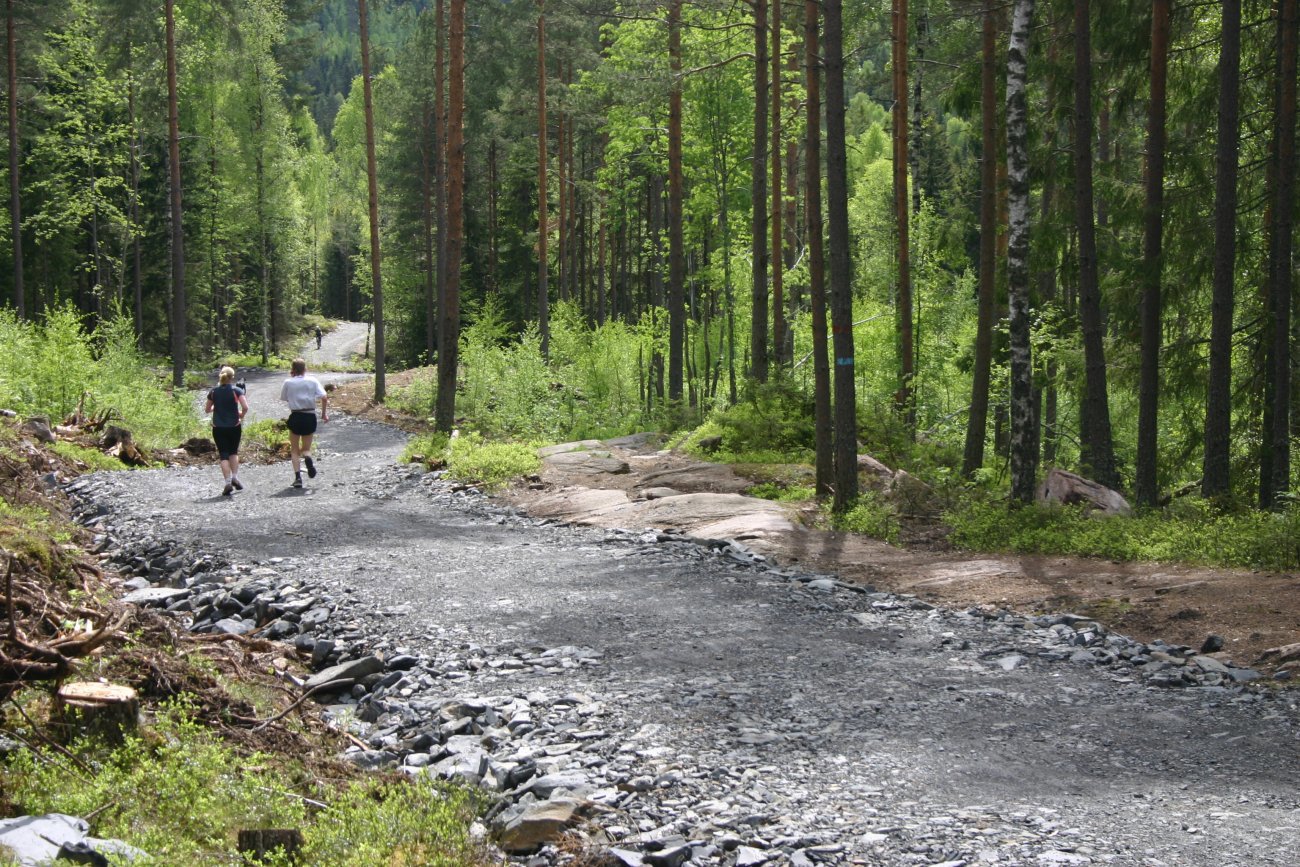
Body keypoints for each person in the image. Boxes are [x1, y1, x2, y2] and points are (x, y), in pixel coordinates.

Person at [280, 357, 328, 488]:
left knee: (294, 449)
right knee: (306, 448)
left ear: (293, 370)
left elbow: (284, 398)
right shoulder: (312, 380)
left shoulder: (288, 382)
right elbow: (324, 397)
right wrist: (323, 414)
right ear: (305, 369)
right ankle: (307, 457)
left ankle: (298, 478)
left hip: (295, 416)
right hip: (309, 415)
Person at [204, 366, 249, 497]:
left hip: (218, 427)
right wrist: (241, 415)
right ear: (232, 377)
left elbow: (207, 409)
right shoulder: (237, 390)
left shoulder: (213, 392)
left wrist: (215, 408)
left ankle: (227, 482)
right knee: (233, 452)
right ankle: (235, 477)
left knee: (223, 455)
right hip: (234, 426)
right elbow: (245, 407)